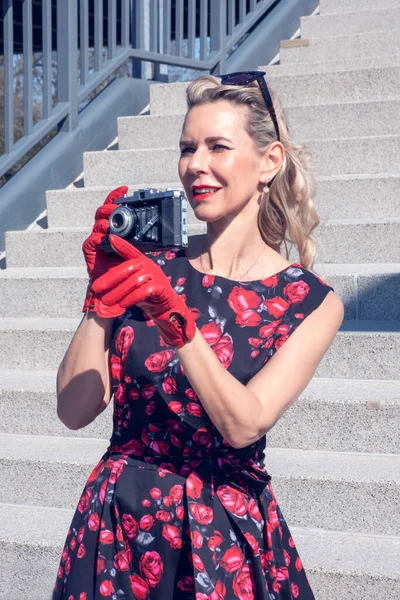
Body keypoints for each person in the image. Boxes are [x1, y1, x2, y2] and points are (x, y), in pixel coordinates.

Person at [52, 72, 344, 600]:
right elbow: (74, 410)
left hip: (219, 537)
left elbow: (244, 423)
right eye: (188, 148)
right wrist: (100, 300)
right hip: (118, 524)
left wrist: (177, 324)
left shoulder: (310, 300)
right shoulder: (151, 267)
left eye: (217, 146)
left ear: (270, 162)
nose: (196, 166)